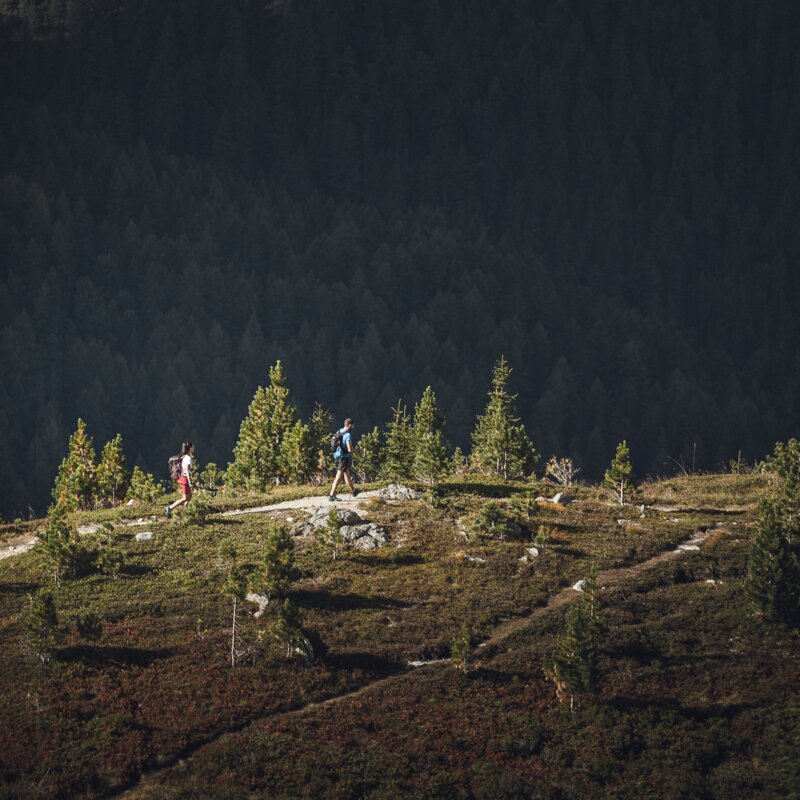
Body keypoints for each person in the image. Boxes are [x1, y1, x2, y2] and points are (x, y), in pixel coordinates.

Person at [329, 419, 359, 501]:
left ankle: (354, 491)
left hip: (339, 455)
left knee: (347, 476)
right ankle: (332, 495)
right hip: (344, 458)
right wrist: (358, 451)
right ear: (349, 425)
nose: (353, 427)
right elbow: (349, 449)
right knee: (338, 477)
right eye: (353, 425)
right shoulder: (348, 435)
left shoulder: (339, 431)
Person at [166, 442, 194, 517]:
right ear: (190, 448)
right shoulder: (188, 458)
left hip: (181, 478)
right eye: (193, 447)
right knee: (185, 498)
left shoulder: (182, 457)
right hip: (184, 479)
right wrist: (189, 481)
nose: (194, 448)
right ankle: (169, 508)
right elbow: (187, 470)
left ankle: (186, 512)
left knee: (189, 496)